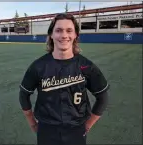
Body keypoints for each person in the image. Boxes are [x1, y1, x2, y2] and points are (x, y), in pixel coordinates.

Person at [19, 13, 109, 145]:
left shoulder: (86, 66)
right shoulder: (38, 66)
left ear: (75, 35)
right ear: (51, 35)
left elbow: (103, 97)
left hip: (76, 130)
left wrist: (88, 125)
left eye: (69, 30)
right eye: (58, 30)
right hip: (47, 130)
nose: (64, 35)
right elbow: (24, 95)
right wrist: (33, 123)